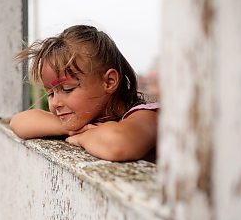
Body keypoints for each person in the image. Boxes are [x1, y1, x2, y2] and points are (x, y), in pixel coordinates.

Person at [9, 25, 159, 162]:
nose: (54, 103)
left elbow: (118, 143)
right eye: (50, 93)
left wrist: (81, 138)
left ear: (109, 81)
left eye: (67, 89)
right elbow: (18, 122)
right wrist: (69, 128)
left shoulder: (149, 116)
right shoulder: (86, 119)